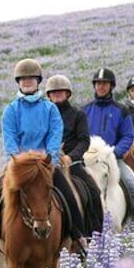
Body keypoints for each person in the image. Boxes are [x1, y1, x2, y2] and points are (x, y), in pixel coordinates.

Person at [0, 59, 89, 266]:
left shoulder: (50, 109)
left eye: (31, 78)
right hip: (19, 166)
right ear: (18, 82)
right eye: (23, 79)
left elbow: (55, 137)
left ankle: (79, 238)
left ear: (38, 81)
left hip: (45, 164)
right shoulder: (11, 110)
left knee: (67, 196)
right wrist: (17, 162)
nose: (27, 82)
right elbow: (9, 140)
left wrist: (49, 161)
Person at [45, 74, 104, 236]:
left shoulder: (78, 114)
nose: (57, 95)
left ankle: (95, 235)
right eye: (53, 92)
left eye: (60, 92)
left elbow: (84, 140)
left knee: (93, 192)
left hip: (72, 163)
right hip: (48, 164)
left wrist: (70, 157)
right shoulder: (44, 116)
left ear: (68, 94)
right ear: (48, 95)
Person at [82, 67, 134, 219]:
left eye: (104, 84)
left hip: (113, 159)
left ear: (111, 86)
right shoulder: (84, 110)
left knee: (131, 185)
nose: (100, 87)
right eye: (97, 83)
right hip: (89, 160)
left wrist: (114, 152)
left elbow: (128, 136)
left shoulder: (121, 110)